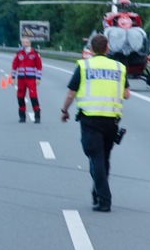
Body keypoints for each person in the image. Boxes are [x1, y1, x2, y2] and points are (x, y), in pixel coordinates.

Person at [60, 33, 129, 212]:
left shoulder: (84, 66)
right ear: (108, 48)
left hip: (90, 119)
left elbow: (70, 93)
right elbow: (126, 94)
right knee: (104, 158)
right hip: (112, 121)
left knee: (96, 158)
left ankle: (104, 200)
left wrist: (64, 111)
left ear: (90, 49)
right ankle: (97, 192)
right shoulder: (119, 67)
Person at [11, 36, 44, 123]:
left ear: (30, 43)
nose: (25, 44)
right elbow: (14, 66)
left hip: (31, 79)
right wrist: (13, 77)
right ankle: (22, 116)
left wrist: (38, 78)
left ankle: (37, 116)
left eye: (26, 42)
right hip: (21, 79)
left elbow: (39, 67)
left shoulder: (35, 54)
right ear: (21, 43)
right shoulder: (19, 53)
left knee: (33, 96)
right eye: (23, 42)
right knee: (20, 96)